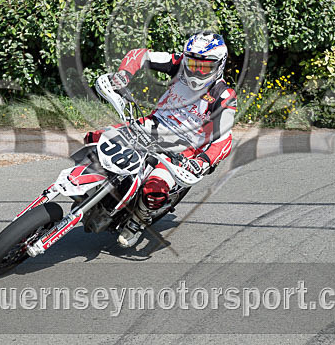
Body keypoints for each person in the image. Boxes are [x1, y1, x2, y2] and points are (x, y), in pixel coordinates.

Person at [84, 30, 238, 247]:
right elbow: (139, 55)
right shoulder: (178, 64)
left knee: (154, 189)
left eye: (204, 67)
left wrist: (202, 162)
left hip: (183, 149)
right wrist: (123, 75)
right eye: (192, 64)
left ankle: (140, 218)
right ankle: (94, 186)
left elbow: (225, 139)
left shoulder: (224, 96)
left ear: (219, 65)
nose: (196, 71)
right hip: (152, 126)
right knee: (94, 138)